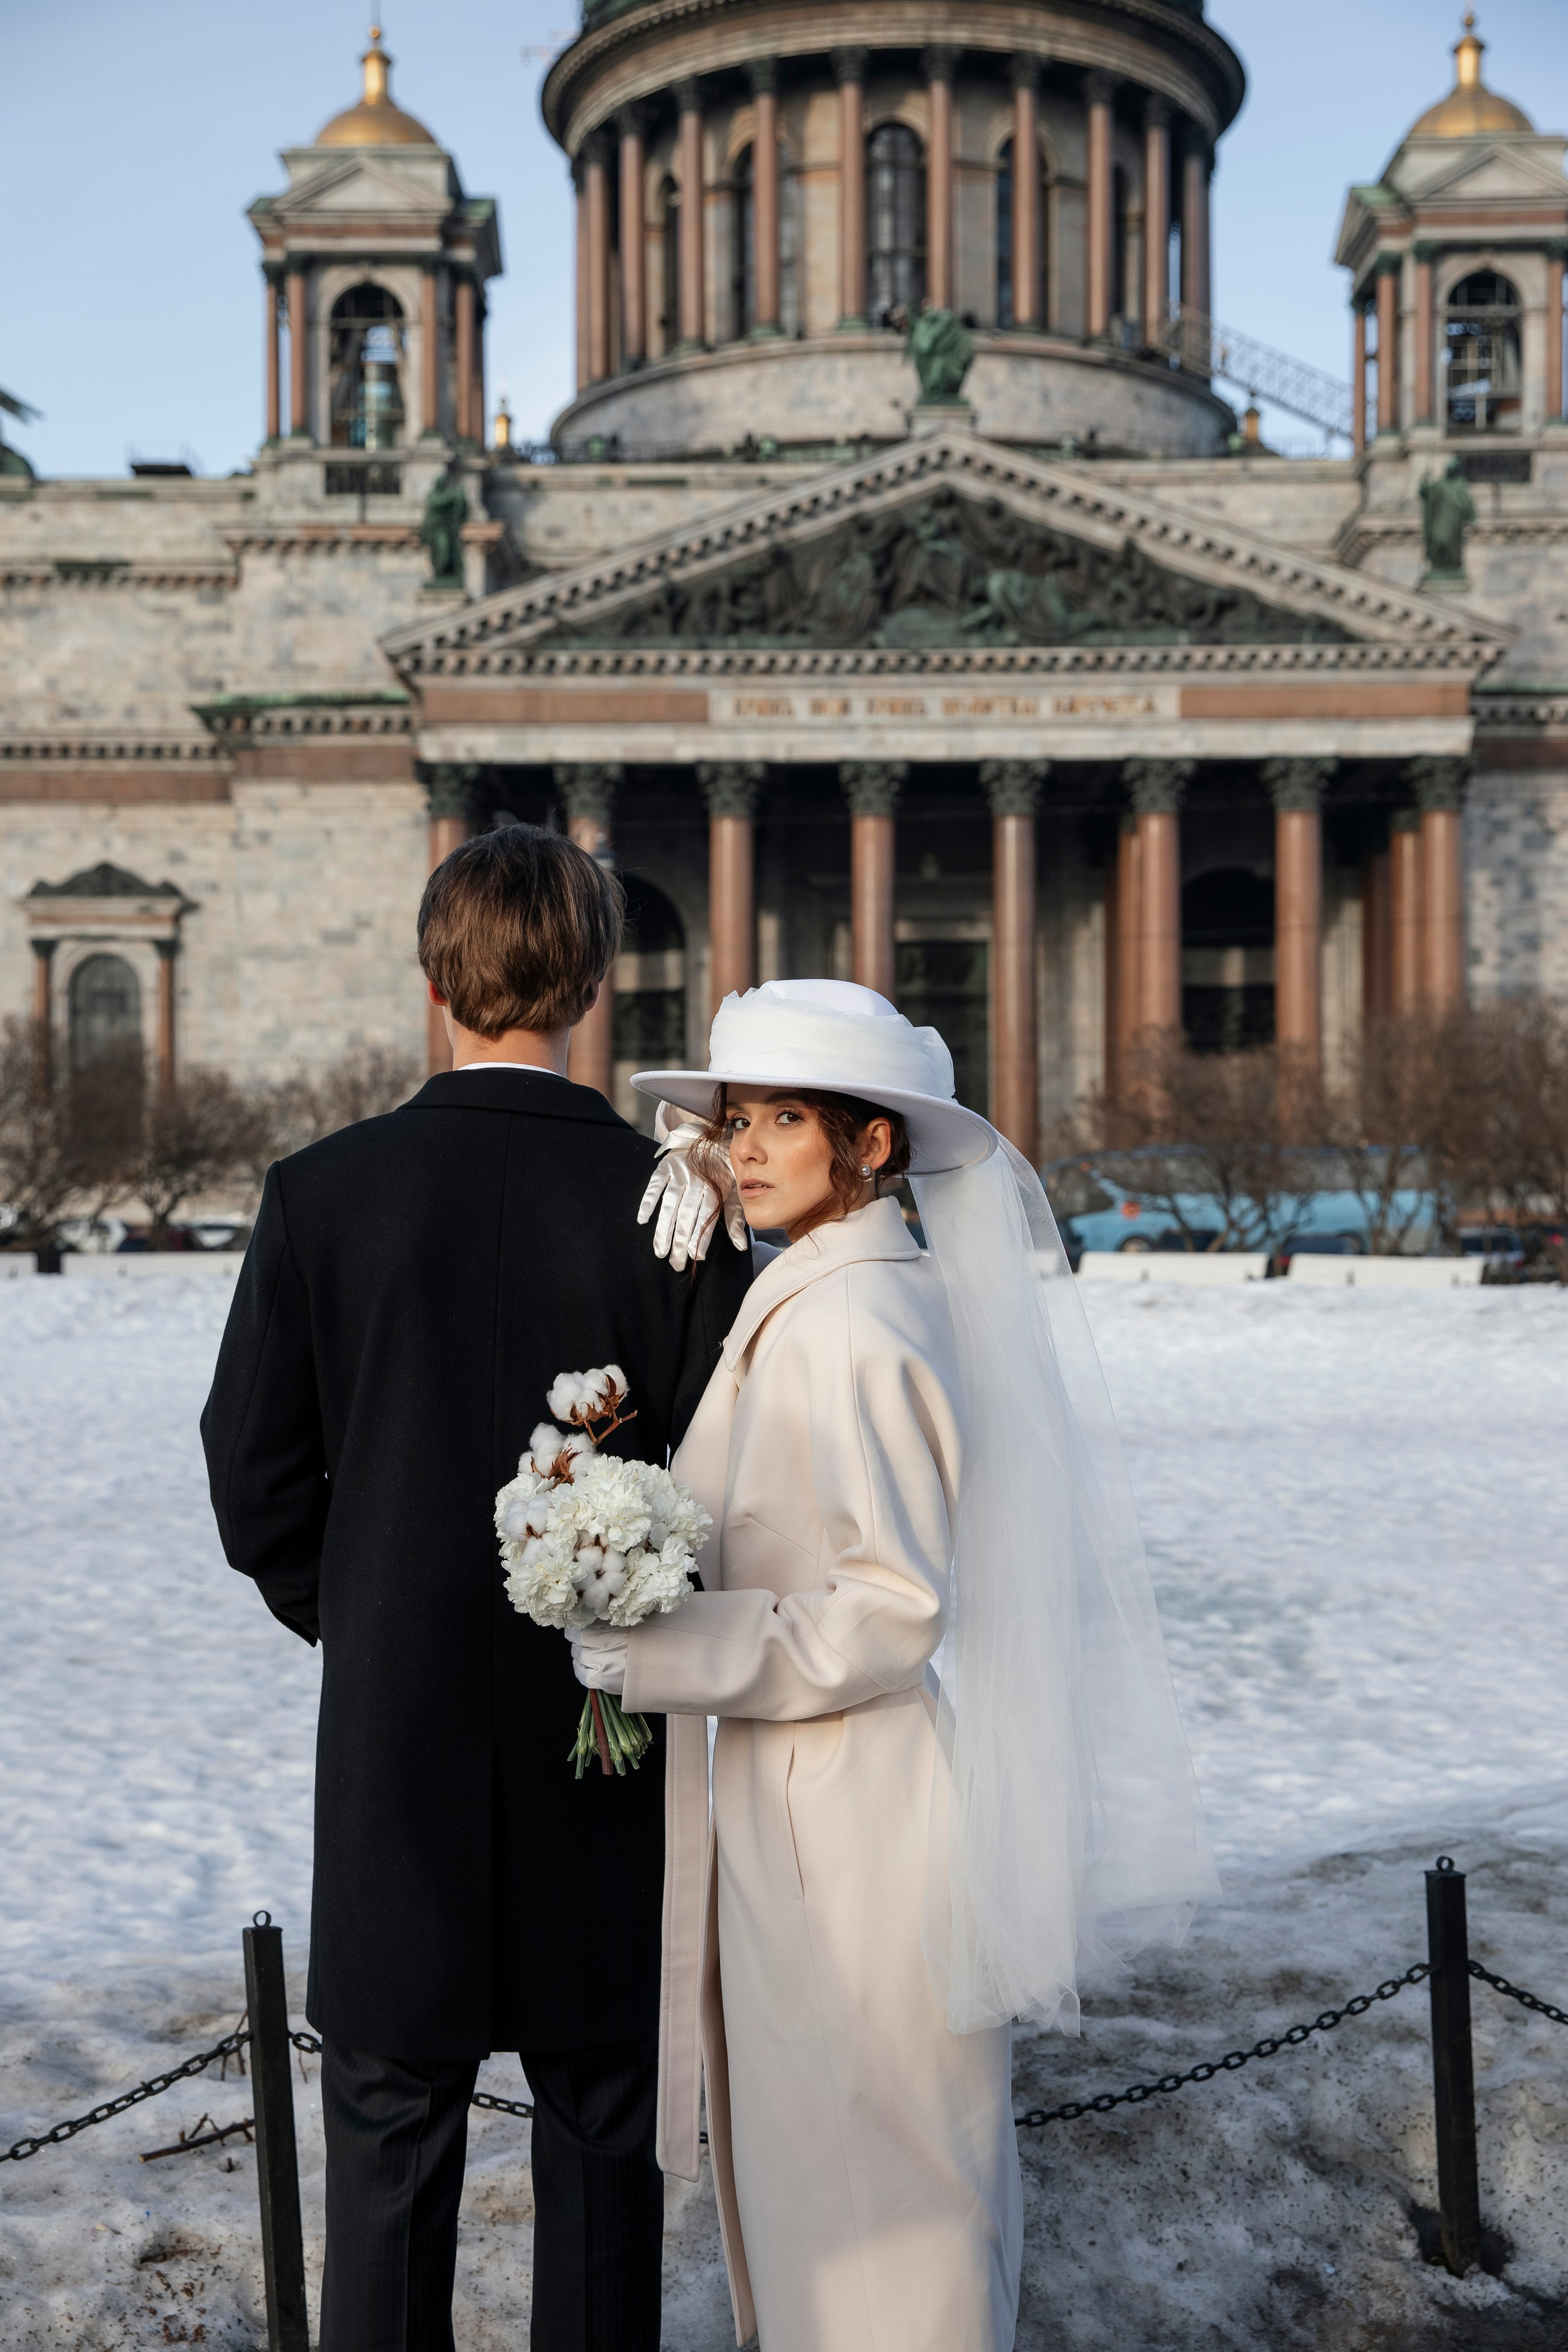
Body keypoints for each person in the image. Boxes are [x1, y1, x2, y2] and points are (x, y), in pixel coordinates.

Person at [573, 978, 1218, 2352]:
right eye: (733, 1119)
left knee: (873, 2184)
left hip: (845, 1810)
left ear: (870, 1145)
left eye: (782, 1119)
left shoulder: (856, 1319)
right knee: (833, 2176)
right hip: (805, 1791)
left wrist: (659, 1645)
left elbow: (887, 1606)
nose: (741, 1148)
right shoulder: (817, 1289)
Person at [200, 826, 751, 2352]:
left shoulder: (320, 1194)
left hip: (399, 1742)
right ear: (588, 981)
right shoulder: (681, 1210)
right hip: (612, 1733)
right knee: (601, 2125)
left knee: (385, 2133)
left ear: (434, 977)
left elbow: (252, 1477)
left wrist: (365, 1611)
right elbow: (738, 1480)